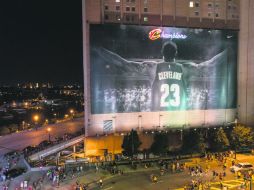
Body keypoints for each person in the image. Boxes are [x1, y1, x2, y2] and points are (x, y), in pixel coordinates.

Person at [95, 41, 227, 112]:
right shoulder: (185, 68)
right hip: (179, 117)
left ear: (162, 53)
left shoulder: (152, 68)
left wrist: (99, 49)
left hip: (158, 116)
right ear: (176, 53)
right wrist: (228, 52)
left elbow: (123, 63)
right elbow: (210, 64)